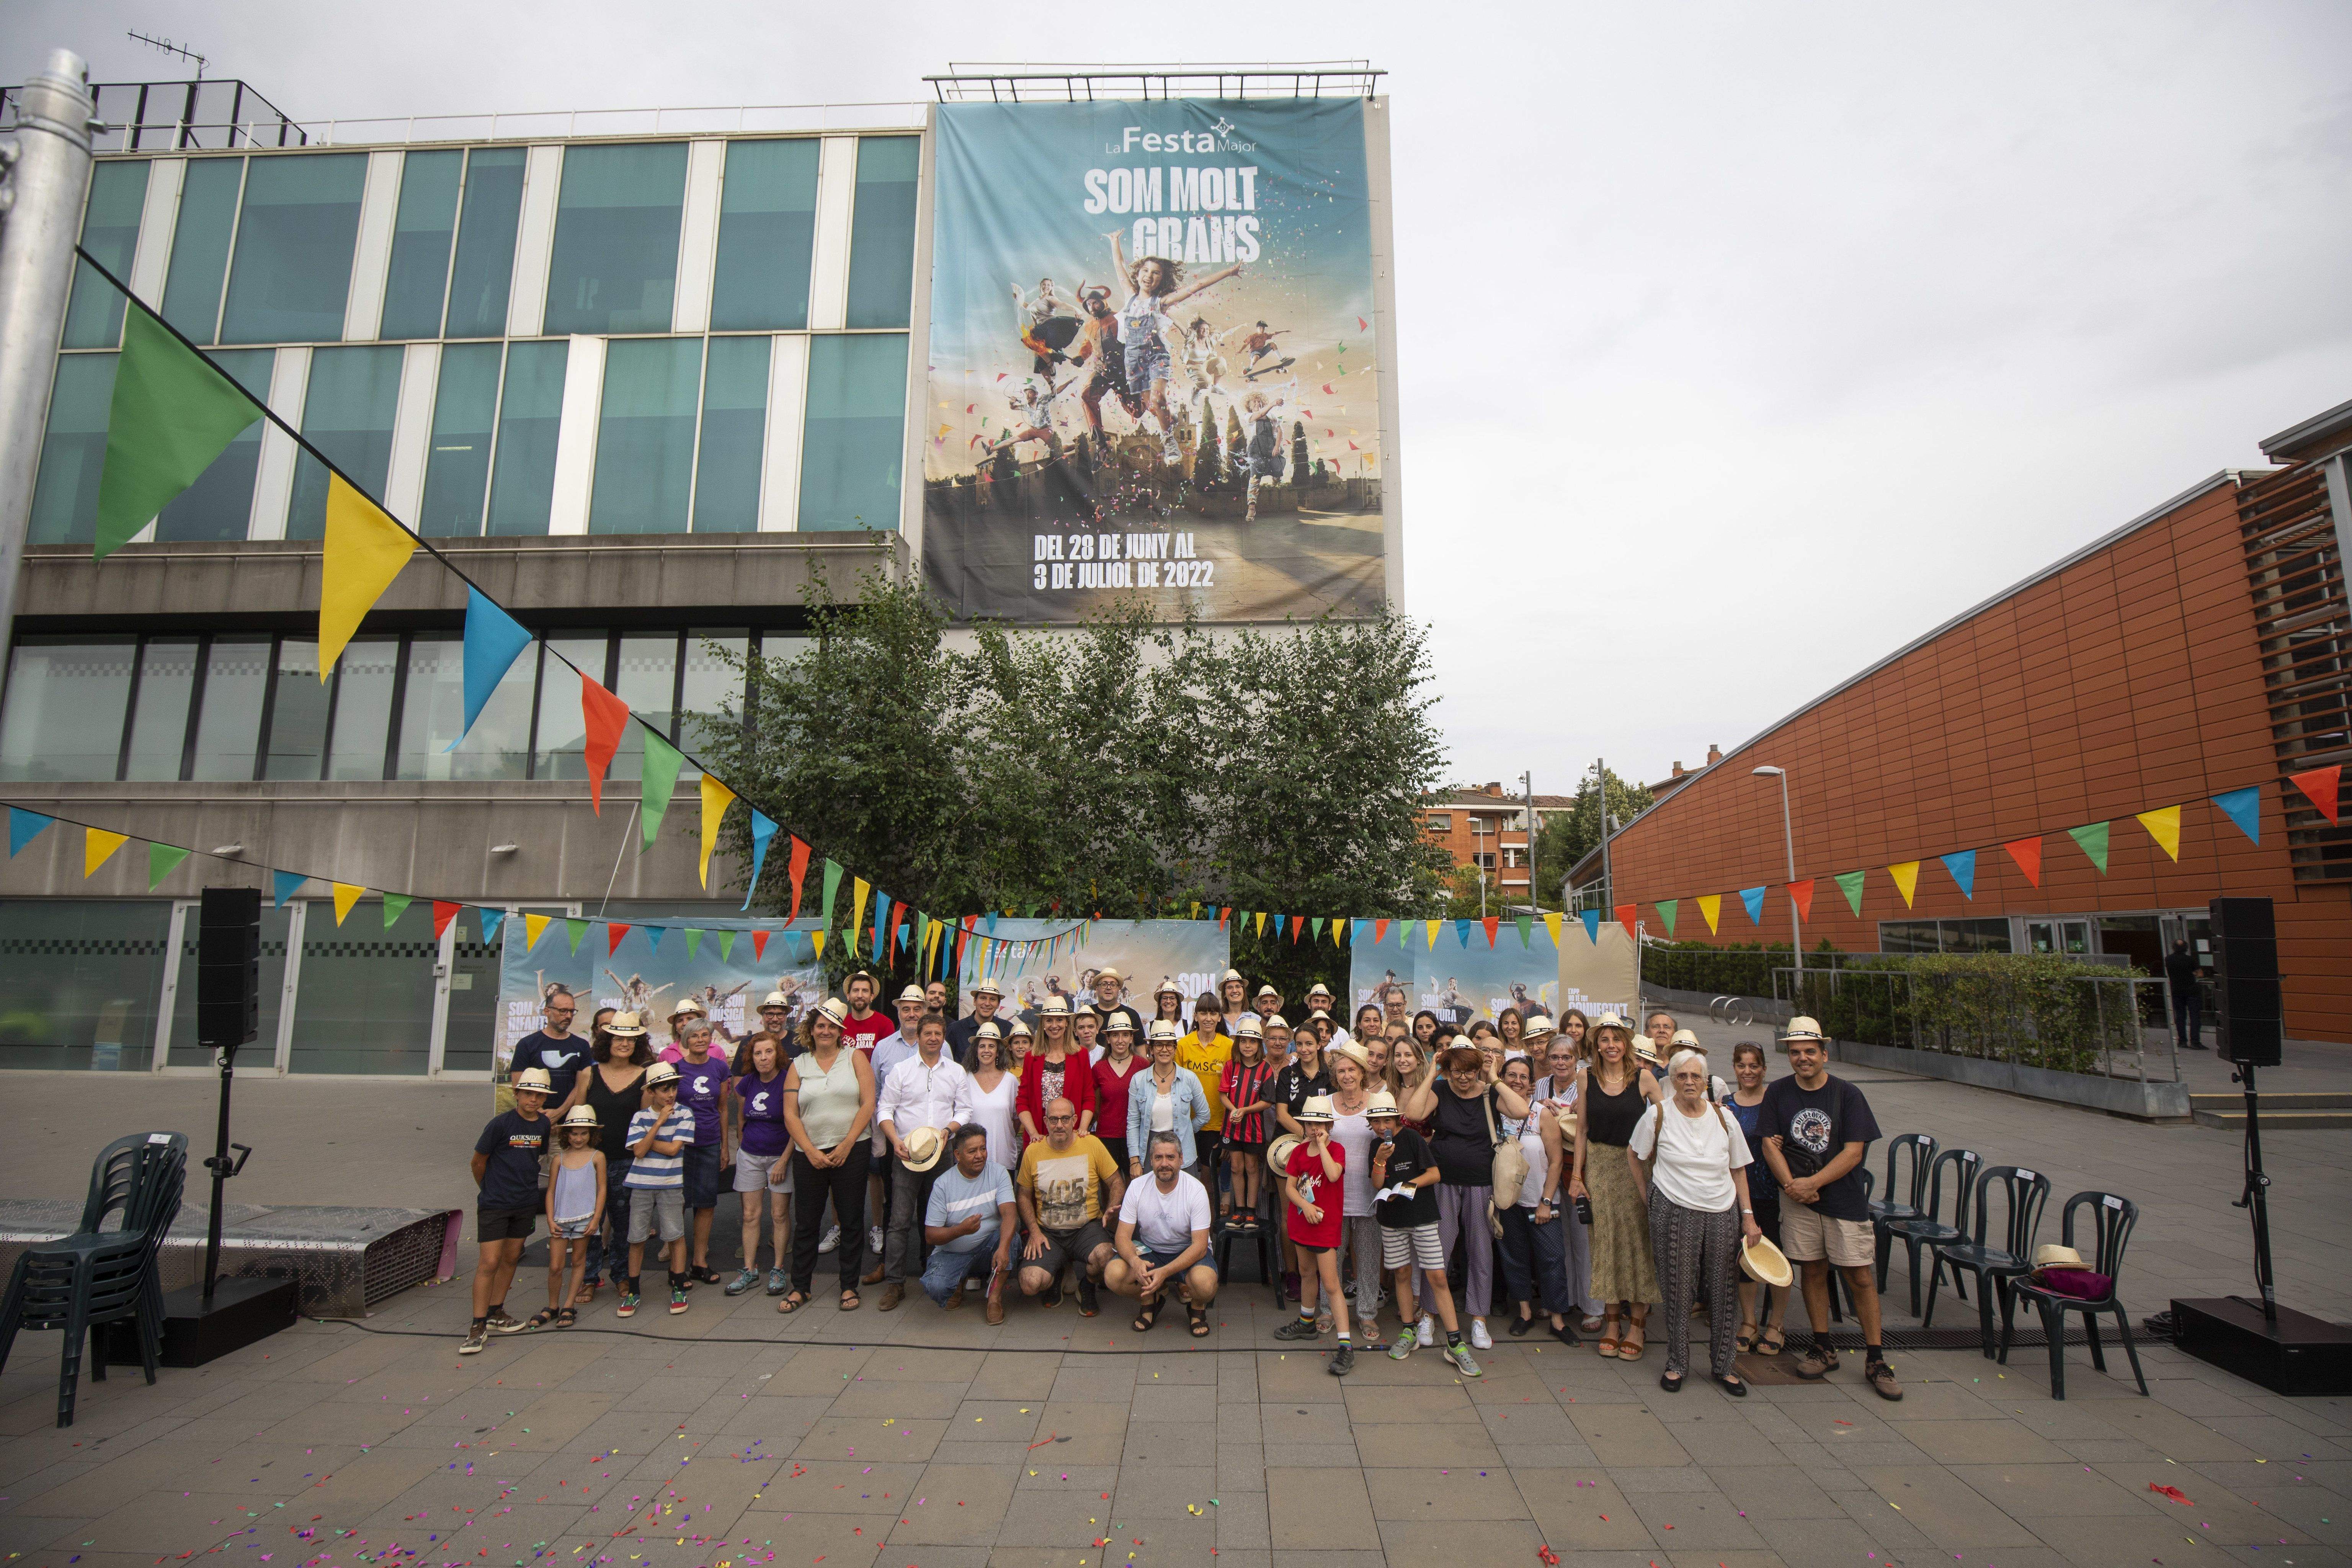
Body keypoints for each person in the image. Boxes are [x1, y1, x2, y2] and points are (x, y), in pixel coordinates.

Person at [1760, 1016, 1899, 1400]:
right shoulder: (1779, 1093)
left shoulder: (1848, 1094)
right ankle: (1823, 1345)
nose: (1802, 1058)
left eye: (1809, 1051)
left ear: (1824, 1053)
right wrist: (1792, 1185)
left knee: (1860, 1278)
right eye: (1795, 1052)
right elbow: (1769, 1143)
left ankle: (1876, 1356)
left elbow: (1854, 1152)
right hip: (1799, 1200)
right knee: (1814, 1272)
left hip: (1842, 1200)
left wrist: (1812, 1184)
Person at [1630, 1048, 1764, 1395]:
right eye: (1682, 1076)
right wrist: (1650, 1196)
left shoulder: (1724, 1118)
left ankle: (1724, 1366)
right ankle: (1677, 1364)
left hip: (1723, 1210)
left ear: (1706, 1081)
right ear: (1672, 1080)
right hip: (1674, 1209)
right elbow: (1635, 1155)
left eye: (1696, 1076)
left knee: (1723, 1290)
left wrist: (1748, 1218)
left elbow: (1738, 1168)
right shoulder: (1658, 1114)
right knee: (1678, 1290)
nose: (1689, 1082)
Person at [1400, 1043, 1527, 1352]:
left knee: (1481, 1250)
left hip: (1482, 1182)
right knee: (1438, 1250)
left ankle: (1479, 1318)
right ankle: (1430, 1313)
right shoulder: (1442, 1091)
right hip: (1443, 1181)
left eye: (1469, 1071)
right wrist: (1433, 1072)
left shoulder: (1488, 1092)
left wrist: (1493, 1077)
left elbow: (1522, 1110)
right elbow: (1414, 1113)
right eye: (1457, 1071)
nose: (1464, 1078)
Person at [1569, 1013, 1662, 1360]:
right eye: (1605, 1040)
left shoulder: (1645, 1078)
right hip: (1600, 1167)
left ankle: (1637, 1324)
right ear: (1596, 1045)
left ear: (1627, 1043)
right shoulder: (1585, 1077)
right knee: (1604, 1243)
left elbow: (1666, 1123)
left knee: (1639, 1243)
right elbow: (1580, 1131)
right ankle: (1612, 1323)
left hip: (1636, 1167)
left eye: (1617, 1039)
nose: (1611, 1046)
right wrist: (1577, 1177)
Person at [1369, 1090, 1479, 1375]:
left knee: (1437, 1276)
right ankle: (1408, 1331)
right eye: (1376, 1121)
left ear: (1397, 1119)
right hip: (1392, 1218)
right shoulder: (1376, 1146)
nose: (1382, 1127)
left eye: (1386, 1121)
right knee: (1402, 1273)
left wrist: (1405, 1188)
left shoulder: (1414, 1139)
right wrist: (1380, 1159)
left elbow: (1434, 1174)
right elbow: (1376, 1183)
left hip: (1422, 1216)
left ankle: (1455, 1343)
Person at [779, 1000, 877, 1314]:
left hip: (852, 1148)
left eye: (832, 1026)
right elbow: (790, 1114)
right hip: (809, 1153)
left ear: (840, 1031)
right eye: (820, 1025)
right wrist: (809, 1150)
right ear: (812, 1030)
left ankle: (849, 1285)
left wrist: (848, 1143)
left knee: (850, 1219)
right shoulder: (799, 1065)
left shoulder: (855, 1058)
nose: (825, 1031)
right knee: (807, 1222)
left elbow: (868, 1103)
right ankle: (801, 1288)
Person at [875, 1012, 970, 1312]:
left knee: (939, 1220)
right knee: (899, 1221)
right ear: (918, 1036)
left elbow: (965, 1110)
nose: (933, 1038)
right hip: (906, 1154)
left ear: (943, 1038)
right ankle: (895, 1284)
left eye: (937, 1034)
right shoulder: (901, 1071)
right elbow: (884, 1110)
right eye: (927, 1033)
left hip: (942, 1153)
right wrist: (895, 1142)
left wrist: (948, 1132)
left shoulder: (955, 1072)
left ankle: (935, 1277)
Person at [463, 1067, 553, 1352]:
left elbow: (536, 1158)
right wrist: (488, 1190)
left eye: (539, 1095)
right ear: (516, 1094)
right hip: (495, 1204)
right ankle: (477, 1325)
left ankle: (495, 1311)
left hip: (525, 1202)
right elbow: (478, 1162)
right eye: (528, 1094)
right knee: (489, 1263)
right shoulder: (500, 1125)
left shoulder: (543, 1125)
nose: (534, 1100)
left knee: (512, 1258)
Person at [1014, 1096, 1124, 1315]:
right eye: (1053, 1120)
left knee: (1108, 1262)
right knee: (1029, 1284)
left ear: (1075, 1119)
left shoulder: (1091, 1144)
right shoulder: (1033, 1152)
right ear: (1045, 1122)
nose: (1059, 1125)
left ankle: (1087, 1281)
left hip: (1087, 1228)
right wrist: (1034, 1232)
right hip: (1048, 1233)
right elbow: (1023, 1196)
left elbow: (1116, 1182)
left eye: (1065, 1119)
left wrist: (1111, 1210)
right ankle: (1058, 1273)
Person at [1496, 1057, 1579, 1345]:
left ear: (1532, 1084)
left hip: (1540, 1200)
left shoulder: (1540, 1114)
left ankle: (1557, 1319)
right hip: (1507, 1202)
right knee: (1514, 1258)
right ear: (1502, 1078)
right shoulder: (1493, 1110)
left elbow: (1556, 1162)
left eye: (1523, 1077)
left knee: (1552, 1259)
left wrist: (1546, 1201)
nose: (1517, 1081)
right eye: (1511, 1075)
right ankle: (1525, 1313)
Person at [1104, 1130, 1219, 1336]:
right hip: (1151, 1252)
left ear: (1181, 1160)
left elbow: (1200, 1246)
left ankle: (1197, 1307)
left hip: (1188, 1252)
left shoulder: (1196, 1190)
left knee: (1205, 1285)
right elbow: (1122, 1236)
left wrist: (1165, 1272)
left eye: (1170, 1157)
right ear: (1151, 1160)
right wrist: (1134, 1262)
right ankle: (1150, 1301)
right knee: (1113, 1276)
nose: (1164, 1163)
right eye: (1158, 1157)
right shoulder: (1137, 1186)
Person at [1273, 1096, 1356, 1372]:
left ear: (1330, 1125)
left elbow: (1333, 1175)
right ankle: (1306, 1322)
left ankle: (1346, 1345)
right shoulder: (1297, 1153)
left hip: (1325, 1226)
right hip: (1301, 1221)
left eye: (1320, 1123)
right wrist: (1305, 1206)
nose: (1315, 1128)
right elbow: (1290, 1188)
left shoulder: (1338, 1150)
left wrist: (1322, 1145)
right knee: (1307, 1273)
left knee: (1331, 1284)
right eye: (1310, 1123)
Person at [582, 1013, 656, 1303]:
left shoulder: (644, 1076)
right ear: (607, 1041)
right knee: (590, 1224)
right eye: (618, 1038)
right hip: (591, 1162)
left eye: (631, 1039)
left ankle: (622, 1276)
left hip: (627, 1163)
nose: (624, 1044)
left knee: (625, 1224)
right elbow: (579, 1120)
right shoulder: (588, 1074)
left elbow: (645, 1125)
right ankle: (588, 1278)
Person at [1533, 1031, 1604, 1331]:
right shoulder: (1540, 1085)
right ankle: (1561, 1300)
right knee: (1556, 1241)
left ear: (1577, 1060)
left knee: (1584, 1239)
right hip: (1550, 1169)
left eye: (1567, 1057)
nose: (1561, 1063)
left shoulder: (1588, 1083)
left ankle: (1592, 1308)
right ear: (1547, 1060)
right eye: (1555, 1057)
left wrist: (1577, 1112)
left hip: (1580, 1169)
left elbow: (1593, 1127)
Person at [1722, 1042, 1788, 1356]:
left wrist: (1782, 1141)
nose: (1748, 1072)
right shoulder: (1726, 1104)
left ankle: (1777, 1323)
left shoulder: (1776, 1101)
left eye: (1754, 1066)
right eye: (1741, 1065)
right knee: (1745, 1258)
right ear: (1735, 1068)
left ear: (1763, 1069)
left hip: (1772, 1190)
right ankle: (1749, 1322)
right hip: (1739, 1192)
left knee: (1776, 1256)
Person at [919, 1125, 1016, 1321]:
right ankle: (959, 1281)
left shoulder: (998, 1173)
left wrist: (1004, 1248)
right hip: (952, 1252)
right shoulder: (943, 1184)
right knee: (936, 1287)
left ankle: (994, 1299)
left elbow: (1010, 1214)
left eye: (983, 1149)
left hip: (989, 1246)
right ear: (958, 1155)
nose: (980, 1155)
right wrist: (961, 1230)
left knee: (1010, 1239)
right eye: (972, 1151)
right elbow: (930, 1235)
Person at [1322, 1044, 1384, 1347]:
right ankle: (1326, 1309)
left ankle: (1367, 1312)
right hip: (1333, 1194)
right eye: (1341, 1071)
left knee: (1370, 1257)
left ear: (1363, 1073)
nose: (1347, 1076)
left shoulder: (1380, 1101)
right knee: (1332, 1256)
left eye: (1352, 1070)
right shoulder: (1324, 1103)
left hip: (1369, 1191)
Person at [724, 1031, 793, 1297]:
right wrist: (743, 1147)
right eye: (758, 1053)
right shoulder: (748, 1083)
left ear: (778, 1054)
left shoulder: (788, 1082)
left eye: (768, 1052)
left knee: (779, 1215)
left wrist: (784, 1161)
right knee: (751, 1216)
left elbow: (795, 1125)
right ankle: (749, 1270)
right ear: (751, 1057)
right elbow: (742, 1118)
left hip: (780, 1158)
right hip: (751, 1155)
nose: (763, 1058)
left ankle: (777, 1269)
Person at [622, 1060, 693, 1318]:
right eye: (664, 1089)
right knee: (637, 1238)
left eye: (673, 1087)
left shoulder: (685, 1114)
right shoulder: (640, 1117)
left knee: (675, 1235)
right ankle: (633, 1291)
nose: (671, 1094)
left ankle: (677, 1287)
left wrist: (647, 1141)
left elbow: (673, 1149)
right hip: (641, 1184)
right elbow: (638, 1152)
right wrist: (660, 1122)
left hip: (671, 1184)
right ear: (651, 1092)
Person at [665, 1018, 730, 1286]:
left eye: (706, 1035)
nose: (701, 1040)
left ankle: (699, 1262)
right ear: (685, 1040)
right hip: (680, 1145)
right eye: (695, 1036)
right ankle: (676, 1265)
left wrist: (725, 1146)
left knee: (705, 1203)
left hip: (709, 1142)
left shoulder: (720, 1068)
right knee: (676, 1204)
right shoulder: (675, 1069)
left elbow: (723, 1108)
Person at [535, 1102, 604, 1331]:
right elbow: (551, 1190)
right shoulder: (559, 1159)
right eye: (574, 1133)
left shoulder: (598, 1157)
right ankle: (552, 1305)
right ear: (567, 1134)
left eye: (584, 1133)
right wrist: (550, 1219)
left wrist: (596, 1220)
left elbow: (602, 1189)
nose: (578, 1138)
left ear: (591, 1134)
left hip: (585, 1217)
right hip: (561, 1218)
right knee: (555, 1266)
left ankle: (568, 1304)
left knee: (578, 1261)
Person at [1127, 1020, 1212, 1178]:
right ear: (1151, 1049)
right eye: (1159, 1045)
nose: (1164, 1050)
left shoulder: (1189, 1078)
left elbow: (1204, 1115)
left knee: (1184, 1200)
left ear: (1175, 1048)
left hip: (1183, 1152)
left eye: (1169, 1045)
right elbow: (1133, 1122)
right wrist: (1134, 1161)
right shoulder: (1138, 1080)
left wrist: (1185, 1130)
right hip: (1149, 1152)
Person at [1218, 1016, 1276, 1231]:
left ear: (1259, 1044)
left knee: (1252, 1168)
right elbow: (1223, 1094)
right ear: (1238, 1043)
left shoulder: (1265, 1069)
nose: (1248, 1046)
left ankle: (1251, 1212)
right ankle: (1239, 1209)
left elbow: (1268, 1101)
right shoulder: (1230, 1066)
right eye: (1244, 1041)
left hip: (1254, 1129)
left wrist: (1246, 1111)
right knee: (1235, 1167)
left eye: (1252, 1042)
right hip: (1232, 1126)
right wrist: (1234, 1110)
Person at [1017, 1001, 1096, 1146]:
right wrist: (1034, 1134)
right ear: (1043, 1024)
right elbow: (1023, 1102)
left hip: (1072, 1136)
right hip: (1039, 1137)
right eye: (1049, 1020)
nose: (1054, 1026)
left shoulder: (1081, 1055)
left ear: (1067, 1023)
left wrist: (1082, 1130)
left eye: (1059, 1020)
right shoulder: (1031, 1057)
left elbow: (1089, 1098)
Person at [1176, 993, 1232, 1187]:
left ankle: (1208, 1217)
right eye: (1203, 1013)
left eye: (1213, 1013)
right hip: (1186, 1121)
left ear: (1219, 1017)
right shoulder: (1182, 1045)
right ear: (1195, 1016)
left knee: (1209, 1178)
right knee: (1185, 1175)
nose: (1208, 1019)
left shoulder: (1229, 1046)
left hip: (1216, 1123)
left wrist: (1227, 1130)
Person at [509, 990, 590, 1115]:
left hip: (567, 1123)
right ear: (547, 1011)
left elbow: (581, 1086)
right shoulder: (527, 1044)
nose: (569, 1016)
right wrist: (542, 1116)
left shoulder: (582, 1045)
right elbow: (519, 1086)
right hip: (532, 1121)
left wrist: (559, 1113)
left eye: (572, 1012)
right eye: (563, 1011)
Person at [1089, 1011, 1145, 1172]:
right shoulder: (1099, 1068)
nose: (1120, 1040)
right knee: (1110, 1189)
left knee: (1133, 1186)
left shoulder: (1143, 1065)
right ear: (1108, 1039)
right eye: (1115, 1035)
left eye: (1125, 1035)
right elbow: (1097, 1107)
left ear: (1131, 1038)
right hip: (1107, 1136)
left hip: (1135, 1137)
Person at [961, 1029, 1021, 1170]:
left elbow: (1017, 1118)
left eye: (991, 1047)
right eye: (982, 1046)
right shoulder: (965, 1079)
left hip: (1003, 1157)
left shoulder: (1011, 1080)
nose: (986, 1051)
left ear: (999, 1051)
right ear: (976, 1051)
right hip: (971, 1160)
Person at [947, 976, 1010, 1067]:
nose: (987, 1003)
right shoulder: (955, 1030)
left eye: (992, 999)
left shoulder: (1007, 1029)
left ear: (998, 1004)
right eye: (983, 998)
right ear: (975, 1001)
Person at [2166, 939, 2207, 1050]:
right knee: (2195, 1016)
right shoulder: (2190, 960)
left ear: (2173, 948)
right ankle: (2195, 1042)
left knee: (2180, 1017)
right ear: (2186, 948)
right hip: (2192, 991)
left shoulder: (2168, 959)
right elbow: (2200, 974)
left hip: (2177, 991)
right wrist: (2193, 973)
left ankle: (2182, 1041)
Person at [1090, 966, 1145, 1039]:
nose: (1109, 988)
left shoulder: (1132, 1015)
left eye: (1113, 985)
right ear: (1097, 988)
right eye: (1104, 984)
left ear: (1119, 989)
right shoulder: (1088, 1013)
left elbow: (1141, 1049)